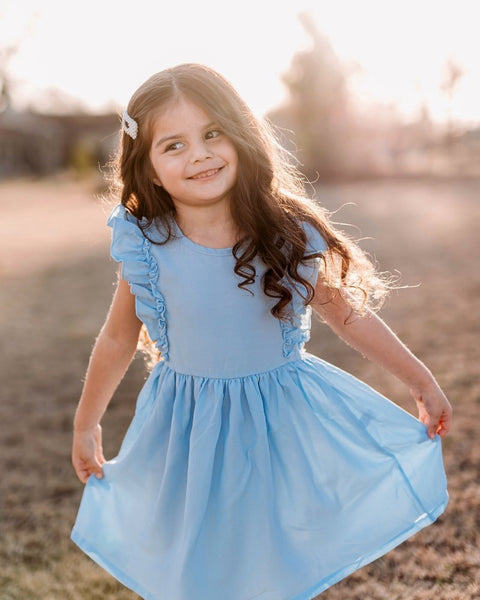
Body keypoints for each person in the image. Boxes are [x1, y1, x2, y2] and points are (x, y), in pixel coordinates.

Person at [71, 63, 452, 600]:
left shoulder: (286, 233)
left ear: (241, 134)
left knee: (270, 559)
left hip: (276, 423)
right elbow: (116, 338)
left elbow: (347, 314)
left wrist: (421, 379)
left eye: (211, 134)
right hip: (187, 429)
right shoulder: (146, 244)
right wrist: (87, 424)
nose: (199, 154)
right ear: (150, 168)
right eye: (173, 145)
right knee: (199, 564)